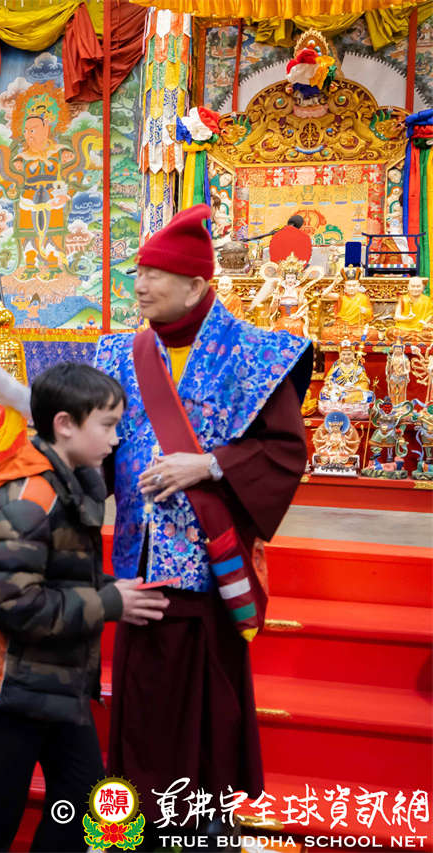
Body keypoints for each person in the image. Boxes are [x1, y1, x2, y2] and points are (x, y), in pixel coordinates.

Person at [93, 204, 312, 842]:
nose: (139, 285)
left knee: (204, 717)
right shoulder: (118, 353)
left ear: (195, 286)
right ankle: (134, 832)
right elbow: (88, 448)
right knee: (142, 713)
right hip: (140, 568)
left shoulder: (255, 353)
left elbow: (284, 451)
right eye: (137, 272)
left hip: (208, 570)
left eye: (154, 274)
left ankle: (199, 833)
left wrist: (210, 465)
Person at [0, 362, 168, 852]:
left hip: (55, 681)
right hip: (8, 688)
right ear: (65, 424)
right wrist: (108, 601)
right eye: (107, 425)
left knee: (85, 804)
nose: (116, 439)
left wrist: (113, 590)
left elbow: (61, 575)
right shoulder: (29, 499)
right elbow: (16, 604)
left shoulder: (69, 482)